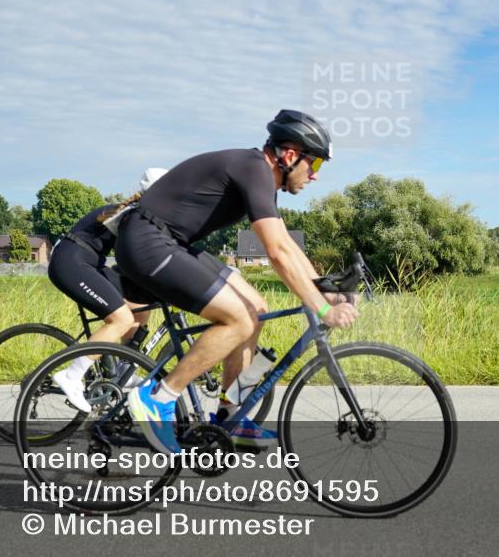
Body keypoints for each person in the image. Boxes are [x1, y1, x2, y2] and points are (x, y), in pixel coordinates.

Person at [116, 110, 358, 451]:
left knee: (255, 309)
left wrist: (324, 289)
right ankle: (159, 397)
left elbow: (286, 243)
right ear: (290, 155)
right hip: (147, 242)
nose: (314, 176)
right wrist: (320, 309)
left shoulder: (259, 175)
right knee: (238, 319)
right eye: (314, 165)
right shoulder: (254, 168)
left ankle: (231, 416)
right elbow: (275, 253)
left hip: (170, 242)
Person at [48, 168, 166, 412]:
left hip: (90, 262)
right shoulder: (132, 215)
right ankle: (71, 376)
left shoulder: (138, 213)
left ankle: (123, 366)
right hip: (70, 262)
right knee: (121, 318)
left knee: (141, 301)